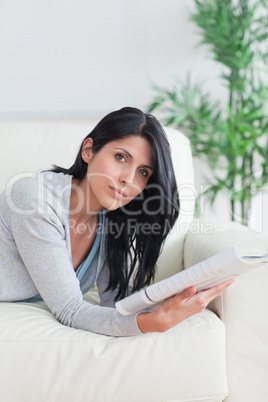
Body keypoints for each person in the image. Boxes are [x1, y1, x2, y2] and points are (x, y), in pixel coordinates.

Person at [0, 107, 234, 337]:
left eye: (143, 172)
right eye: (120, 157)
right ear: (89, 151)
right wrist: (152, 322)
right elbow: (70, 310)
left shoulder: (111, 217)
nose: (128, 179)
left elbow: (115, 300)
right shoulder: (35, 199)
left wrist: (180, 296)